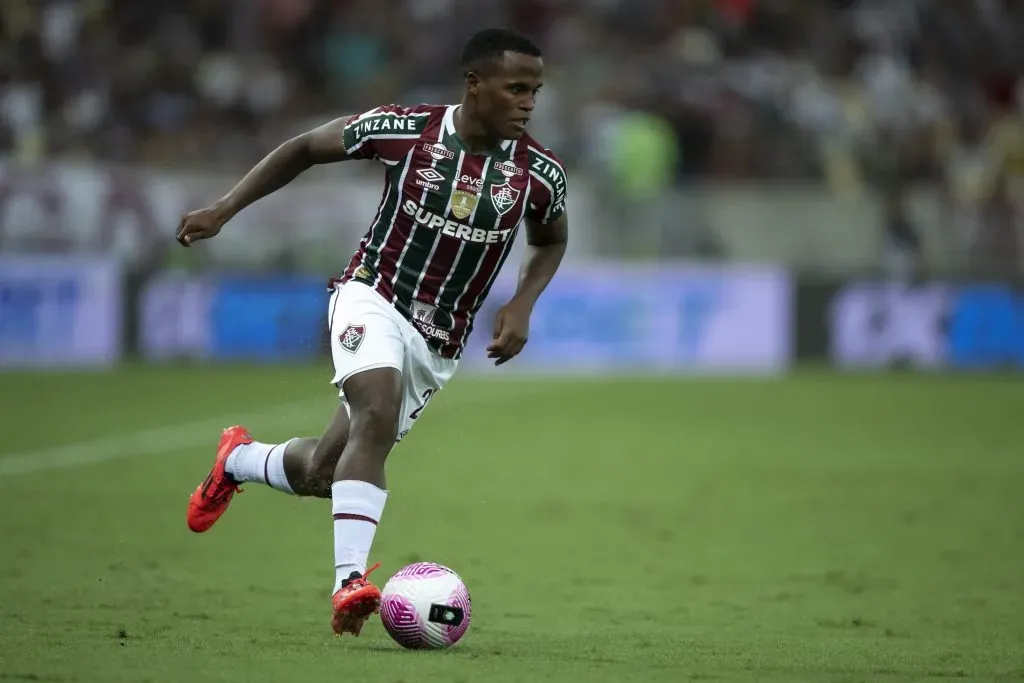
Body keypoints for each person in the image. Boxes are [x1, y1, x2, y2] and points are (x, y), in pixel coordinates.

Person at [174, 27, 568, 638]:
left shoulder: (539, 174)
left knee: (322, 475)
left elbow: (551, 239)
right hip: (372, 295)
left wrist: (523, 302)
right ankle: (349, 582)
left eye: (535, 91)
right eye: (516, 88)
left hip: (439, 341)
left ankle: (241, 460)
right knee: (375, 416)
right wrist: (225, 208)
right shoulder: (406, 130)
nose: (528, 102)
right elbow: (304, 147)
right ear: (475, 84)